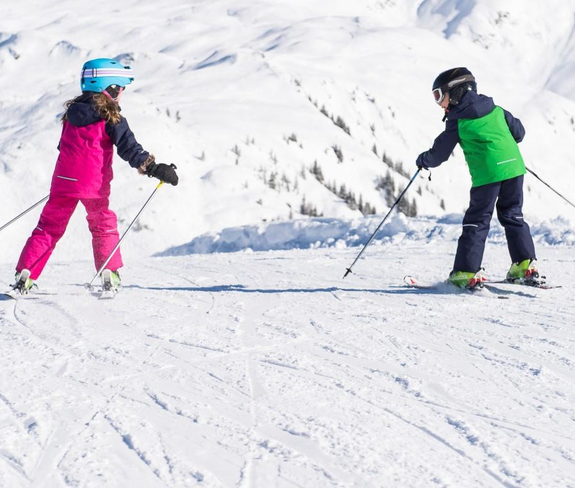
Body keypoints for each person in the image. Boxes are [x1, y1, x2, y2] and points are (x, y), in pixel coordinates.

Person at [9, 58, 179, 295]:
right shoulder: (112, 118)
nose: (121, 94)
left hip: (63, 182)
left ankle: (25, 274)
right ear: (110, 88)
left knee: (47, 228)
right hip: (93, 186)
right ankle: (109, 273)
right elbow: (129, 148)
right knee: (102, 226)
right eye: (120, 89)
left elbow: (63, 147)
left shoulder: (71, 115)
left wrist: (67, 182)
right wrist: (153, 168)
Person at [416, 67, 539, 289]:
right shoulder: (497, 110)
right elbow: (519, 133)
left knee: (477, 220)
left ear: (456, 92)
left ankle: (466, 272)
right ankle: (524, 267)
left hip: (488, 174)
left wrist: (424, 160)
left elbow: (439, 154)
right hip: (514, 168)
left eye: (439, 95)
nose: (439, 103)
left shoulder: (457, 120)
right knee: (513, 215)